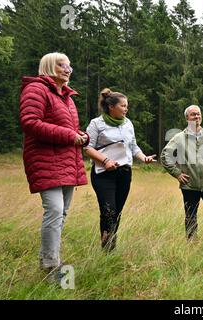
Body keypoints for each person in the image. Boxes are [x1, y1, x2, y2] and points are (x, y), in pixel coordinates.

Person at [19, 52, 89, 281]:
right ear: (49, 66)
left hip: (68, 161)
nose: (68, 69)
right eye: (62, 65)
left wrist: (81, 136)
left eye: (70, 66)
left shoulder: (67, 96)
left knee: (61, 213)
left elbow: (68, 128)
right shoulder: (36, 89)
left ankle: (48, 260)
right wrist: (70, 135)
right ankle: (50, 267)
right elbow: (30, 123)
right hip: (44, 160)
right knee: (55, 210)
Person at [84, 89, 156, 252]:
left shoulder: (127, 123)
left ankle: (111, 245)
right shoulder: (97, 123)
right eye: (123, 106)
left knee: (116, 212)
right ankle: (107, 249)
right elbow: (87, 148)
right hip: (104, 174)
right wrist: (105, 160)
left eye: (127, 106)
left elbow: (133, 146)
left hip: (124, 174)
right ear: (111, 106)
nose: (126, 109)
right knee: (108, 210)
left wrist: (143, 157)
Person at [161, 105, 203, 253]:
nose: (196, 117)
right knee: (190, 216)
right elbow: (165, 155)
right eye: (193, 115)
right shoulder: (179, 138)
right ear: (187, 118)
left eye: (198, 114)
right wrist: (177, 173)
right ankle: (191, 245)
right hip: (189, 185)